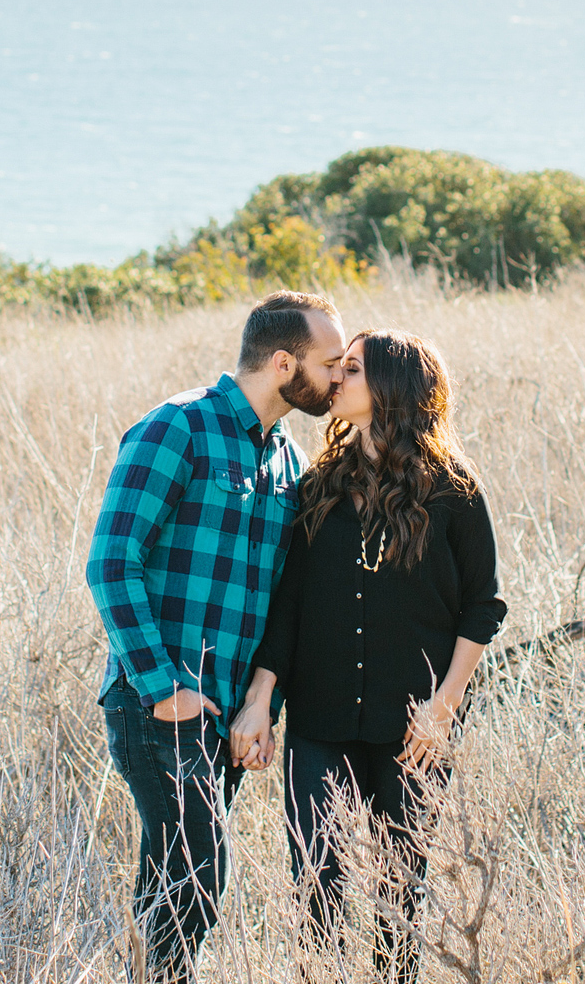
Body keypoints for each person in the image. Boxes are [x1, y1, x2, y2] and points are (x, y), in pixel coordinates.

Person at [85, 290, 347, 983]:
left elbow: (273, 603)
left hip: (225, 718)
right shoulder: (179, 427)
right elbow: (112, 561)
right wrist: (163, 686)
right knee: (197, 876)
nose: (339, 376)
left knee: (171, 881)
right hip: (158, 704)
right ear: (284, 361)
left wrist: (259, 707)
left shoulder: (287, 462)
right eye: (330, 363)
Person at [229, 329, 505, 982]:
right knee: (315, 885)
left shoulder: (453, 489)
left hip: (413, 727)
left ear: (391, 386)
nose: (336, 378)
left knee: (395, 894)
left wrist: (444, 706)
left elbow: (482, 607)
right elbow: (289, 600)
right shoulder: (318, 482)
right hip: (320, 721)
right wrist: (262, 697)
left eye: (351, 369)